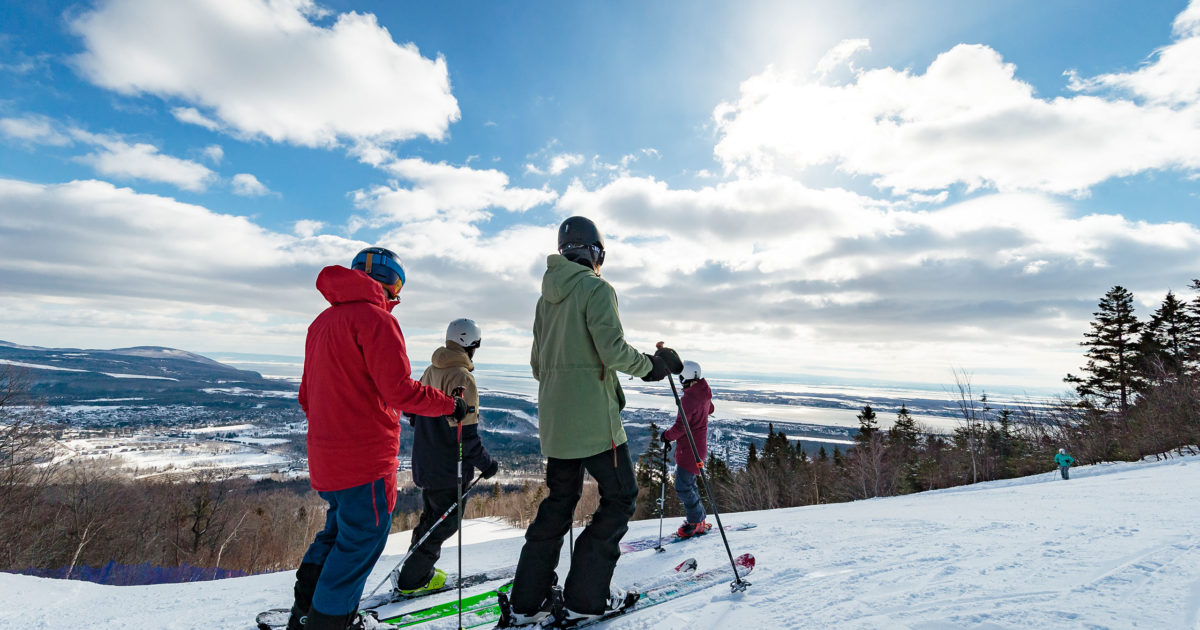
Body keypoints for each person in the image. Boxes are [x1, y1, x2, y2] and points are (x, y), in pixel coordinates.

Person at [499, 216, 682, 628]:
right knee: (619, 499)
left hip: (556, 425)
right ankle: (586, 596)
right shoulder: (597, 289)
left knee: (558, 505)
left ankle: (528, 601)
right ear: (595, 252)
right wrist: (654, 366)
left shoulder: (546, 300)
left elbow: (536, 365)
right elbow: (614, 351)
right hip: (598, 428)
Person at [289, 247, 469, 630]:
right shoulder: (376, 321)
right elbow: (400, 391)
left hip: (325, 456)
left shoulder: (321, 323)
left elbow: (307, 395)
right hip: (364, 457)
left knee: (337, 531)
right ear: (391, 283)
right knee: (363, 540)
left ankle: (305, 609)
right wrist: (448, 407)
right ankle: (330, 621)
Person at [391, 318, 499, 595]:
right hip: (449, 467)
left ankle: (416, 571)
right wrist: (487, 465)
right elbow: (466, 435)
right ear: (470, 345)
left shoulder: (431, 369)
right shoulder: (463, 377)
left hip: (425, 460)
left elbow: (412, 411)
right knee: (444, 522)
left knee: (432, 518)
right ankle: (413, 580)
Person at [661, 360, 714, 539]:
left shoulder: (688, 399)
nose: (680, 380)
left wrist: (665, 436)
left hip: (690, 449)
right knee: (689, 484)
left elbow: (680, 427)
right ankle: (699, 519)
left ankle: (695, 523)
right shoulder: (703, 393)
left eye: (681, 376)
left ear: (686, 377)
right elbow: (710, 409)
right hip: (698, 447)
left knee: (682, 487)